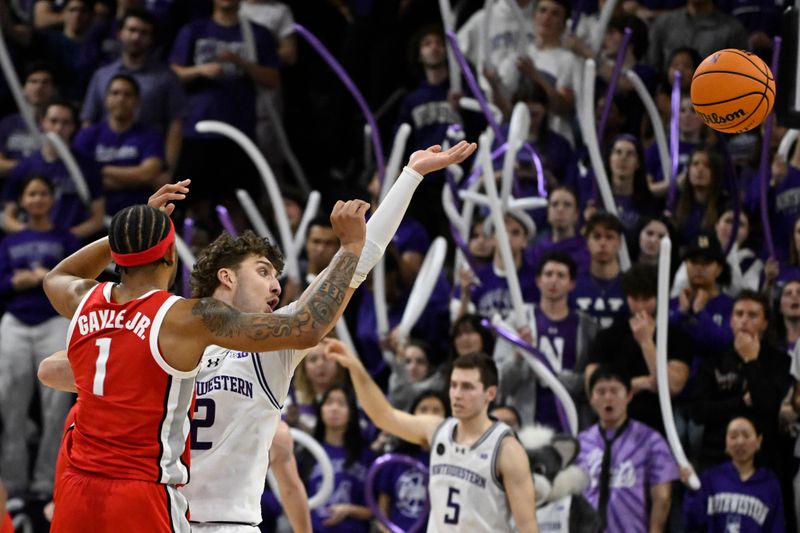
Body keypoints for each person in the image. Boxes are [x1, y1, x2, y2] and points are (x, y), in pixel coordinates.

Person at [39, 141, 478, 531]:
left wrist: (410, 177)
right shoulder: (171, 329)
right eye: (264, 271)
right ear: (225, 276)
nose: (275, 286)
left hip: (227, 522)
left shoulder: (267, 351)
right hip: (159, 513)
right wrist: (134, 235)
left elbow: (354, 269)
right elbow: (53, 370)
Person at [40, 182, 368, 532]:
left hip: (76, 486)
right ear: (169, 257)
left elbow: (57, 276)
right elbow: (307, 326)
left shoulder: (84, 298)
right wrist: (350, 247)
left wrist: (131, 232)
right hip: (138, 492)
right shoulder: (184, 319)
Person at [325, 342, 539, 532]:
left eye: (467, 387)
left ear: (490, 394)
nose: (457, 394)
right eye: (454, 385)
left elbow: (527, 526)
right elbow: (384, 415)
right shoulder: (437, 429)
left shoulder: (507, 449)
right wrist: (356, 369)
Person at [0, 176, 79, 502]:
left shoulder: (66, 238)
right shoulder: (8, 242)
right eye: (31, 193)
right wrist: (16, 281)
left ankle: (47, 483)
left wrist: (43, 279)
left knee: (56, 407)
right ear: (23, 200)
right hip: (15, 322)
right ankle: (14, 485)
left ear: (51, 199)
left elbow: (78, 282)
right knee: (10, 405)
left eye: (43, 193)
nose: (37, 199)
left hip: (53, 322)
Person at [585, 263, 692, 435]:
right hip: (612, 425)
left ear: (658, 297)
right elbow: (593, 389)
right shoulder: (608, 336)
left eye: (647, 298)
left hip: (658, 426)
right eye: (635, 298)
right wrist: (645, 382)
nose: (641, 306)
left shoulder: (677, 338)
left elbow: (672, 386)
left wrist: (646, 343)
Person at [691, 290, 791, 472]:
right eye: (739, 314)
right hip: (718, 455)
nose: (744, 320)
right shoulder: (714, 361)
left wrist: (751, 361)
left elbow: (769, 406)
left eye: (753, 315)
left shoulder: (780, 362)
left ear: (765, 324)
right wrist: (740, 402)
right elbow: (698, 412)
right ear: (731, 321)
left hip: (763, 458)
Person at [81, 7, 185, 177]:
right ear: (120, 33)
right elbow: (89, 120)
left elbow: (175, 126)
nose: (136, 37)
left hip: (148, 161)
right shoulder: (102, 75)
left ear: (152, 39)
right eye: (132, 30)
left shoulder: (167, 77)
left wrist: (168, 170)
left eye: (144, 33)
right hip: (103, 159)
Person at [500, 251, 598, 428]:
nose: (554, 280)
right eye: (548, 274)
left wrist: (554, 376)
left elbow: (591, 383)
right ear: (538, 280)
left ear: (572, 284)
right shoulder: (517, 322)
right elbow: (499, 384)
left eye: (561, 275)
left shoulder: (588, 327)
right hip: (525, 423)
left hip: (572, 421)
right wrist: (518, 358)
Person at [576, 366, 678, 533]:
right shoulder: (581, 443)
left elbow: (663, 498)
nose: (608, 397)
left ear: (629, 395)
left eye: (615, 391)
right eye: (600, 392)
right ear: (591, 398)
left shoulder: (650, 440)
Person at [2, 99, 105, 241]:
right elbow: (8, 217)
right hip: (31, 246)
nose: (58, 128)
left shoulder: (87, 166)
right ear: (43, 123)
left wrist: (65, 238)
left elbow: (98, 219)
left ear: (73, 127)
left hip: (72, 246)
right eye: (53, 121)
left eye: (65, 123)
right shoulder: (25, 167)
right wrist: (35, 235)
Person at [73, 74, 165, 215]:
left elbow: (148, 174)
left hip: (138, 213)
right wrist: (133, 180)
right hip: (95, 215)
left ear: (137, 101)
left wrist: (99, 169)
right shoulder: (88, 135)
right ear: (106, 99)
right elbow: (79, 176)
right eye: (115, 93)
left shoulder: (150, 136)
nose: (121, 99)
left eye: (127, 94)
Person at [683, 416, 786, 532]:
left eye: (746, 436)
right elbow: (693, 523)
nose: (740, 442)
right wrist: (691, 489)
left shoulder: (769, 484)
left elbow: (777, 527)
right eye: (733, 436)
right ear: (726, 442)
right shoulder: (710, 478)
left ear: (758, 441)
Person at [301, 385, 374, 533]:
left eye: (341, 403)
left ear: (352, 412)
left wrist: (349, 510)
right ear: (321, 410)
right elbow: (294, 500)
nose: (334, 409)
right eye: (329, 403)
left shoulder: (366, 456)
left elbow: (376, 510)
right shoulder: (307, 453)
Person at [376, 390, 450, 533]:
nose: (429, 416)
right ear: (411, 416)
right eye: (423, 409)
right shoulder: (395, 458)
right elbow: (382, 510)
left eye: (436, 410)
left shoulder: (453, 460)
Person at [647, 0, 748, 74]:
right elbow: (652, 67)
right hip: (665, 99)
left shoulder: (733, 29)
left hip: (714, 96)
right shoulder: (664, 23)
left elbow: (742, 73)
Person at [572, 213, 626, 329]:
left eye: (609, 237)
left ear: (619, 242)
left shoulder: (630, 285)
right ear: (587, 242)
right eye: (597, 237)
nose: (603, 243)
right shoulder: (573, 284)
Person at [0, 63, 56, 176]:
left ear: (53, 90)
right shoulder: (7, 124)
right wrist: (30, 166)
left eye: (45, 82)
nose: (39, 87)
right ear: (23, 89)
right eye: (33, 81)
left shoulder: (60, 123)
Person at [525, 186, 589, 277]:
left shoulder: (587, 250)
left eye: (567, 205)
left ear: (576, 214)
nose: (560, 209)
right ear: (548, 212)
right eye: (555, 204)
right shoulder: (534, 252)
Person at [261, 421, 312, 533]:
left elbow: (291, 489)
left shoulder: (276, 431)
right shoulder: (275, 429)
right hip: (241, 521)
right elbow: (291, 489)